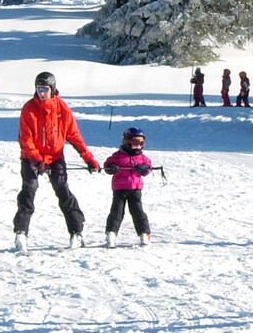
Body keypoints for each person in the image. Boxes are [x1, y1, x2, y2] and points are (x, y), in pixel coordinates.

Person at [14, 70, 101, 253]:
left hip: (55, 157)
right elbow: (25, 139)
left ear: (52, 89)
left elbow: (74, 135)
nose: (41, 93)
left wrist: (88, 158)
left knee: (62, 189)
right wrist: (37, 160)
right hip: (31, 157)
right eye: (39, 89)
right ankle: (21, 232)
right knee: (29, 189)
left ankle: (77, 232)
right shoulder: (29, 108)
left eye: (45, 89)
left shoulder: (62, 109)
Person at [102, 126, 153, 246]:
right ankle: (111, 233)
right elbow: (107, 164)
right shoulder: (118, 156)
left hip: (135, 189)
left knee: (137, 211)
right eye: (135, 143)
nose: (138, 147)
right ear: (126, 142)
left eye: (141, 144)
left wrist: (144, 169)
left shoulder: (142, 158)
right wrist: (111, 168)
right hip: (120, 188)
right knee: (117, 212)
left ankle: (144, 233)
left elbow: (148, 166)